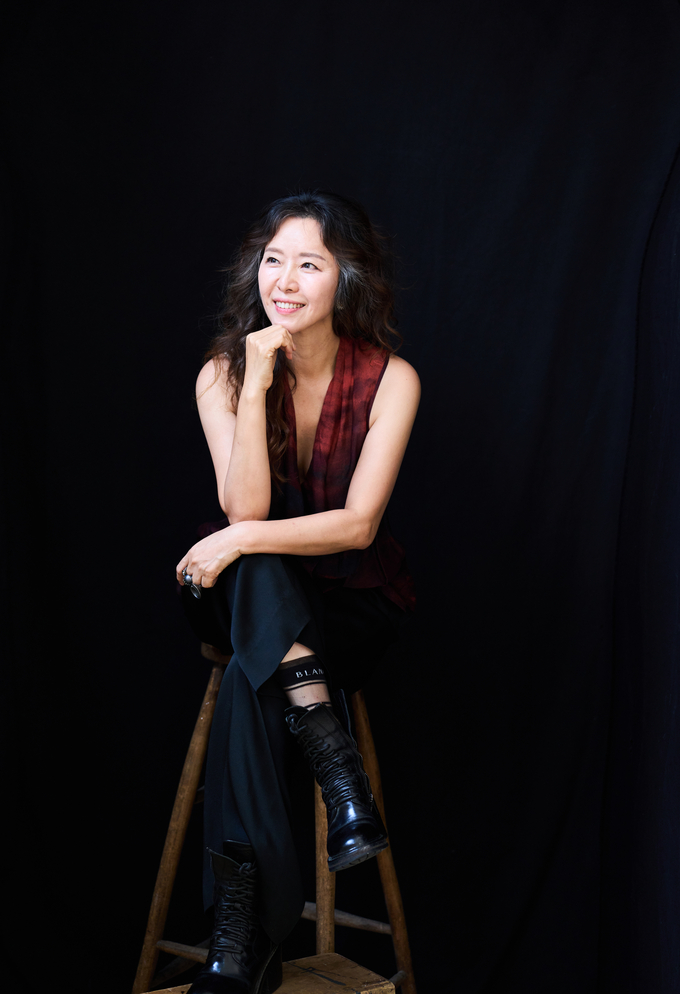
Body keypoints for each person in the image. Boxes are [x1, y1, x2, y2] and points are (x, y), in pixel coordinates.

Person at [175, 191, 420, 994]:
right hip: (245, 592)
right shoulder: (222, 374)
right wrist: (255, 381)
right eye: (273, 260)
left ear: (348, 278)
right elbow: (245, 506)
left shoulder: (391, 379)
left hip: (349, 603)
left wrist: (240, 540)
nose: (284, 280)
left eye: (309, 263)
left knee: (256, 681)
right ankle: (336, 767)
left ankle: (241, 937)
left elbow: (357, 526)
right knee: (257, 578)